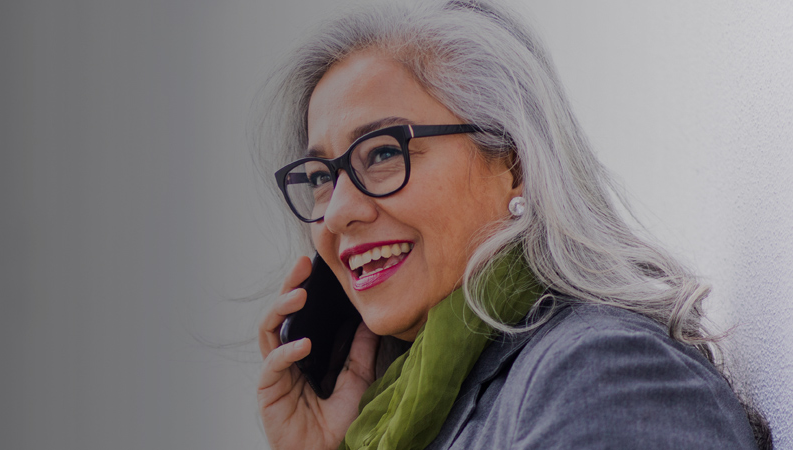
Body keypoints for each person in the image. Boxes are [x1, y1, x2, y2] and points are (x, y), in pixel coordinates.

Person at [253, 1, 772, 449]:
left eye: (383, 152)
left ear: (515, 166)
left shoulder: (600, 371)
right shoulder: (397, 419)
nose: (340, 211)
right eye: (321, 176)